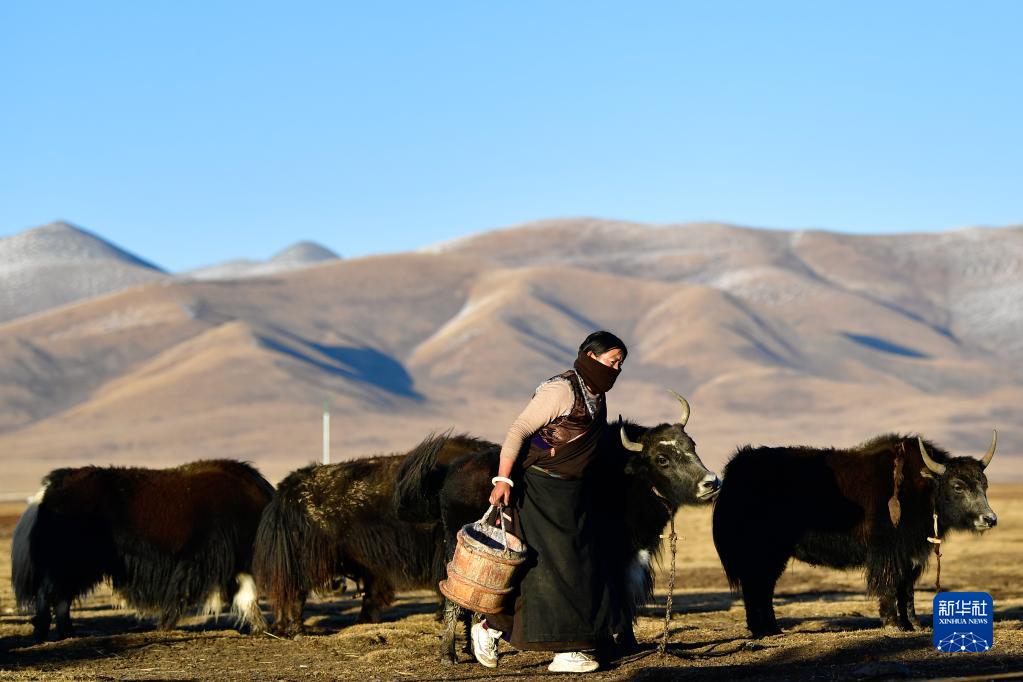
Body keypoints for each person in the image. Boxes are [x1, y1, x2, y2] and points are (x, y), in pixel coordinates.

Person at [470, 330, 627, 674]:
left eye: (621, 363)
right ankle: (561, 648)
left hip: (572, 494)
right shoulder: (561, 389)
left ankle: (567, 639)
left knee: (580, 564)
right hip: (539, 490)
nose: (617, 368)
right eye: (613, 360)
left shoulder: (595, 393)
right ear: (590, 356)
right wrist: (503, 479)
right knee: (554, 568)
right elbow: (519, 430)